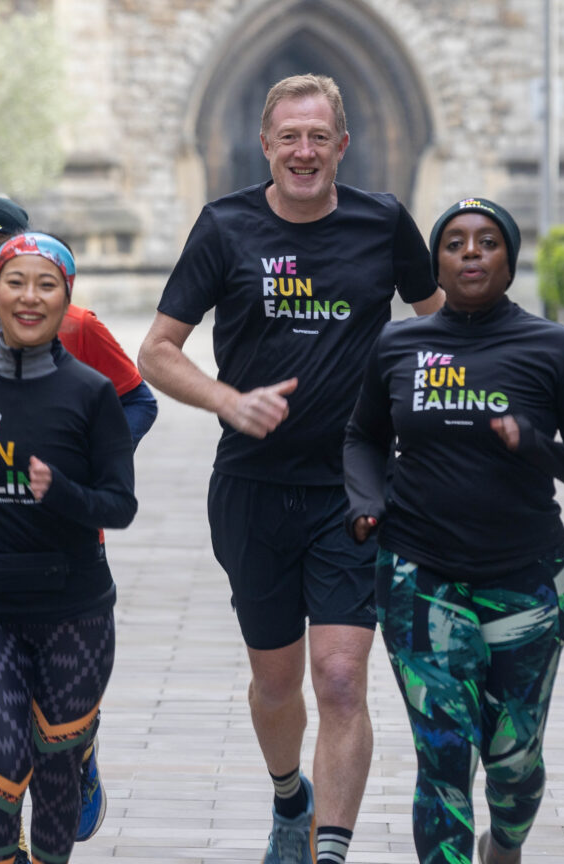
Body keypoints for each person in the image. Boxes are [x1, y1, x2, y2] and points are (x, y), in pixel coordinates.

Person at [138, 73, 442, 864]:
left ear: (342, 146)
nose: (303, 151)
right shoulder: (224, 228)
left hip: (355, 487)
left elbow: (440, 325)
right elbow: (157, 353)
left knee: (340, 678)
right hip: (252, 488)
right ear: (266, 145)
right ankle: (287, 799)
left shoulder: (383, 225)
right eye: (289, 138)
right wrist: (228, 401)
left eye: (318, 137)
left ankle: (328, 851)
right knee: (277, 685)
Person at [342, 197, 564, 864]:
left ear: (509, 260)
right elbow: (362, 437)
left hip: (527, 579)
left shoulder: (550, 346)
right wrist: (365, 502)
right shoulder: (399, 343)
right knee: (443, 756)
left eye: (486, 241)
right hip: (419, 574)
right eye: (455, 242)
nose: (470, 252)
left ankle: (508, 846)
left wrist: (536, 447)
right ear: (436, 263)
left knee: (513, 761)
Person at [0, 194, 155, 848]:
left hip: (69, 576)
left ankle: (72, 752)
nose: (12, 283)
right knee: (3, 750)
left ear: (63, 294)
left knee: (54, 760)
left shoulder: (84, 350)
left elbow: (134, 420)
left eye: (42, 283)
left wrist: (81, 472)